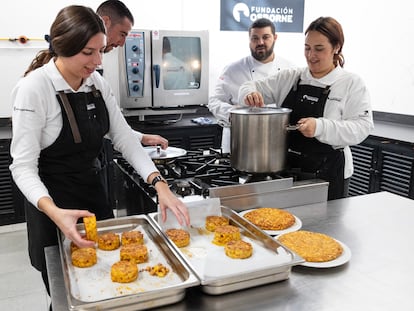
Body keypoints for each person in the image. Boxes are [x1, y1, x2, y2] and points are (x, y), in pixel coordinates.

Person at [9, 5, 190, 297]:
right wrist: (54, 211)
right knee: (69, 295)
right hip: (52, 206)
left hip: (93, 199)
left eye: (101, 51)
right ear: (62, 47)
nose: (97, 62)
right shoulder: (34, 88)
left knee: (108, 286)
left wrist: (160, 185)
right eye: (88, 53)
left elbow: (124, 138)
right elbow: (22, 166)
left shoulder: (97, 83)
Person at [239, 16, 374, 200]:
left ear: (336, 48)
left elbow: (362, 127)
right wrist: (249, 94)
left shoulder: (351, 83)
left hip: (329, 174)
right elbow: (249, 86)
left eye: (319, 49)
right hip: (287, 171)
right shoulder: (291, 77)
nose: (311, 55)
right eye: (307, 48)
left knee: (327, 228)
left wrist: (320, 127)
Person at [208, 18, 295, 153]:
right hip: (237, 143)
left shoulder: (289, 70)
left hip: (275, 145)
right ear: (249, 40)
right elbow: (214, 100)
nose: (260, 42)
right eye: (255, 38)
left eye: (265, 37)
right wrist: (232, 114)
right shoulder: (232, 69)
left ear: (275, 38)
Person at [97, 0, 168, 148]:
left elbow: (113, 126)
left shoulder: (96, 79)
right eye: (122, 34)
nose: (123, 43)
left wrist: (142, 137)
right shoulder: (44, 82)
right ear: (105, 22)